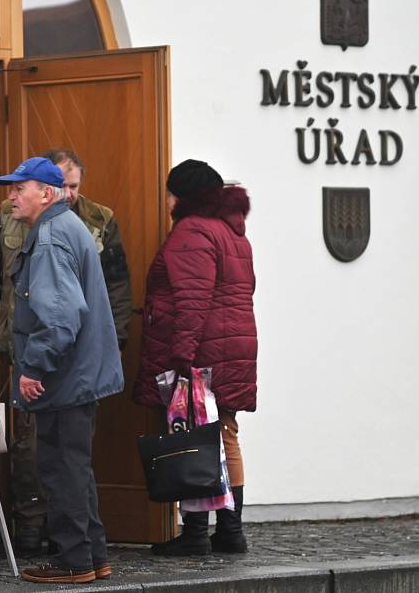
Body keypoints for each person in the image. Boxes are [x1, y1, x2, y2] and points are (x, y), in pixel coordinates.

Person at [0, 147, 131, 553]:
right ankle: (91, 555)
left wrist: (33, 368)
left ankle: (74, 560)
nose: (11, 196)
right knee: (74, 467)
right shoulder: (64, 227)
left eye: (19, 188)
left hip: (63, 376)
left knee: (61, 467)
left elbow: (60, 317)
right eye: (10, 189)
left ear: (47, 194)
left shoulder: (49, 238)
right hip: (75, 373)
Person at [133, 159, 257, 556]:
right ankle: (229, 531)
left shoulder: (192, 231)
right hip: (232, 345)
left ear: (181, 195)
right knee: (224, 435)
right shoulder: (232, 231)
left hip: (202, 350)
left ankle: (196, 533)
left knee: (193, 437)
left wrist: (182, 356)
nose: (166, 201)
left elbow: (192, 299)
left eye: (169, 192)